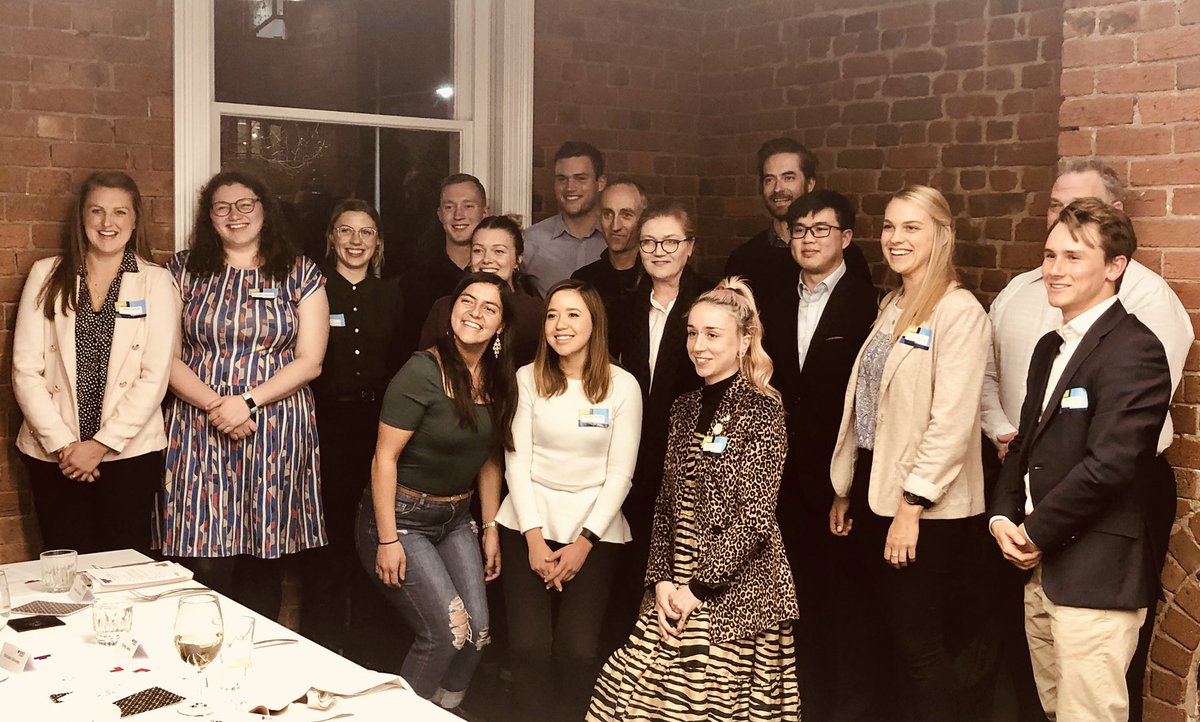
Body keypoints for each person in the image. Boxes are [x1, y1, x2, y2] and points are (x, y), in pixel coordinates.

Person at [981, 160, 1191, 721]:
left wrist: (1033, 531)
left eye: (1074, 257)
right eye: (1051, 255)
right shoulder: (1052, 345)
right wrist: (1002, 516)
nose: (1054, 269)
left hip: (1095, 574)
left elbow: (1111, 465)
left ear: (1116, 266)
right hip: (1040, 567)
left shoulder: (1134, 349)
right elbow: (1024, 445)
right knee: (1054, 711)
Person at [588, 277, 800, 721]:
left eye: (712, 334)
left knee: (705, 705)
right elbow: (666, 504)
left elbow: (756, 516)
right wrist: (662, 580)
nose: (698, 345)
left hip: (735, 585)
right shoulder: (684, 406)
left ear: (744, 341)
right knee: (632, 695)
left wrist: (697, 590)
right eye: (692, 333)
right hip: (675, 576)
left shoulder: (763, 407)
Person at [828, 185, 991, 722]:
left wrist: (910, 507)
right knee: (877, 634)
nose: (896, 239)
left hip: (925, 506)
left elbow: (950, 423)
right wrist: (846, 487)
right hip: (877, 487)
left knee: (918, 642)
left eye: (911, 227)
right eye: (891, 226)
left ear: (941, 234)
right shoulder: (894, 303)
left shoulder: (959, 311)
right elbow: (868, 405)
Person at [161, 170, 330, 620]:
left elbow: (310, 360)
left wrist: (246, 402)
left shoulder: (300, 272)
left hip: (274, 426)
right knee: (203, 556)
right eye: (222, 207)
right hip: (198, 426)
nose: (234, 215)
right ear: (208, 216)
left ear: (264, 210)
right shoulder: (181, 271)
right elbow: (164, 355)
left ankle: (255, 668)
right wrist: (218, 406)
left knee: (264, 555)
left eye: (245, 205)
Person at [355, 272, 517, 712]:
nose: (476, 313)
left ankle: (441, 710)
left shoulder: (499, 378)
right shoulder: (422, 370)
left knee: (479, 633)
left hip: (454, 519)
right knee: (447, 634)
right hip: (400, 517)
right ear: (452, 310)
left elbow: (488, 458)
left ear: (501, 325)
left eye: (490, 307)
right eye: (468, 301)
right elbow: (382, 458)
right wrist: (387, 539)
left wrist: (489, 527)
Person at [496, 279, 642, 721]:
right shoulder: (526, 378)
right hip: (528, 522)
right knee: (528, 647)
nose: (560, 325)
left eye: (573, 314)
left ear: (595, 323)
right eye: (553, 315)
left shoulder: (623, 386)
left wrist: (583, 544)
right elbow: (516, 464)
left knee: (578, 651)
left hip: (596, 530)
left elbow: (621, 474)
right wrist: (535, 540)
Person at [13, 170, 179, 555]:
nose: (108, 223)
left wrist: (100, 446)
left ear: (135, 219)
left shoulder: (155, 282)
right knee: (64, 568)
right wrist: (66, 446)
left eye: (120, 212)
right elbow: (26, 369)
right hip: (56, 454)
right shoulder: (47, 274)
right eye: (97, 212)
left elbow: (154, 377)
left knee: (123, 567)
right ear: (82, 218)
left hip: (129, 454)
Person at [761, 189, 879, 721]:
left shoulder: (868, 303)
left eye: (821, 230)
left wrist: (848, 485)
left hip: (837, 480)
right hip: (780, 478)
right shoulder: (773, 298)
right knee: (791, 600)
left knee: (842, 604)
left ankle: (844, 710)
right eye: (799, 229)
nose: (807, 239)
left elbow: (865, 404)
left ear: (846, 238)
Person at [300, 199, 404, 655]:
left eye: (366, 232)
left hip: (379, 425)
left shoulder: (393, 294)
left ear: (378, 241)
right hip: (326, 425)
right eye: (346, 231)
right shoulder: (315, 291)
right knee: (327, 541)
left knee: (372, 535)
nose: (356, 241)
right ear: (332, 238)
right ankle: (320, 649)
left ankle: (371, 652)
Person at [608, 203, 711, 642]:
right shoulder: (624, 308)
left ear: (690, 247)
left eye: (671, 242)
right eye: (649, 242)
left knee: (678, 564)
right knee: (631, 564)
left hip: (693, 458)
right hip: (633, 456)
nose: (659, 251)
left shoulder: (712, 304)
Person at [724, 137, 870, 307]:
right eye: (769, 180)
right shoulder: (743, 259)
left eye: (788, 178)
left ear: (810, 184)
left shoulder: (844, 254)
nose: (778, 188)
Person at [418, 215, 543, 366]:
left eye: (498, 251)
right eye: (478, 250)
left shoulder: (536, 312)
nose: (486, 259)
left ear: (518, 259)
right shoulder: (445, 308)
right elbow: (425, 368)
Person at [399, 174, 490, 358]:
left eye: (468, 206)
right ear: (440, 215)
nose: (458, 215)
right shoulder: (415, 282)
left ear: (485, 213)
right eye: (450, 207)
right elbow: (405, 351)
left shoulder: (495, 277)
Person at [571, 178, 648, 359]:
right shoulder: (583, 279)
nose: (615, 226)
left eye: (626, 215)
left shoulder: (657, 278)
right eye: (608, 214)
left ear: (643, 219)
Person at [524, 141, 608, 295]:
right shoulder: (531, 240)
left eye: (581, 178)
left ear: (600, 183)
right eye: (562, 179)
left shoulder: (616, 239)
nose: (570, 187)